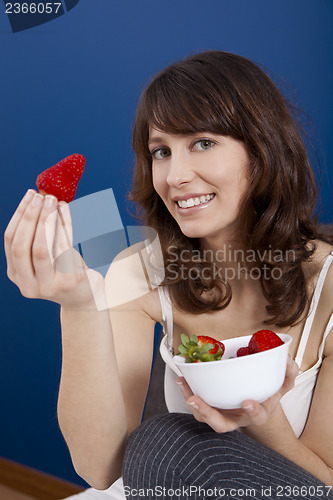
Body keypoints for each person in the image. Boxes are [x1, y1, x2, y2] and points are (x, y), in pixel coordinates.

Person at [4, 51, 333, 499]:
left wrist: (264, 424)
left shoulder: (328, 284)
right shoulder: (140, 271)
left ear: (262, 151)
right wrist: (80, 306)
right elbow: (100, 469)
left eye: (202, 143)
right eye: (161, 151)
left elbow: (324, 483)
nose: (175, 176)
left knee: (165, 443)